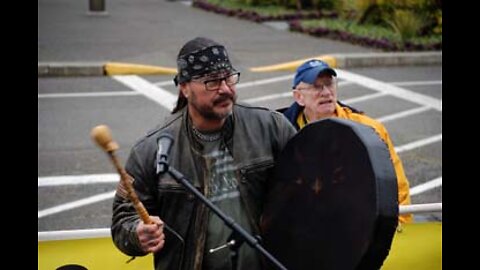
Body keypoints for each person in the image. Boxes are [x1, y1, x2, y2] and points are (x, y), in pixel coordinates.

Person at [111, 37, 297, 270]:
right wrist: (136, 234)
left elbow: (309, 188)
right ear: (185, 88)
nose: (225, 89)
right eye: (212, 82)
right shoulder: (151, 150)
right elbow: (122, 221)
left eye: (229, 78)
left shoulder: (271, 127)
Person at [281, 59, 413, 224]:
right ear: (299, 97)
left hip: (360, 229)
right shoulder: (283, 134)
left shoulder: (370, 129)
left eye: (329, 84)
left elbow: (396, 187)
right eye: (316, 86)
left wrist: (397, 227)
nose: (326, 92)